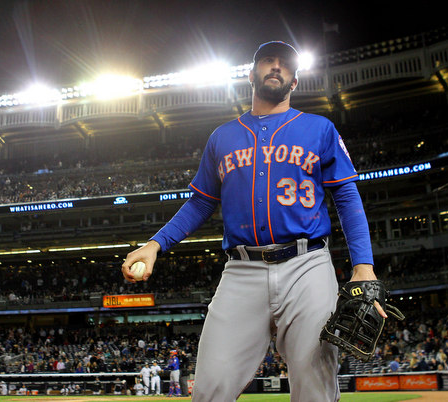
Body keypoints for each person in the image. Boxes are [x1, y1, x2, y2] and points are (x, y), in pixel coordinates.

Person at [122, 40, 385, 401]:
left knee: (315, 388)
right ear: (251, 74)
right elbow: (201, 203)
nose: (276, 66)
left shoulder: (320, 129)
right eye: (267, 60)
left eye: (285, 64)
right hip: (241, 271)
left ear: (294, 81)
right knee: (210, 387)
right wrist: (155, 244)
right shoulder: (221, 137)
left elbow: (347, 197)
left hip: (307, 265)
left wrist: (364, 266)